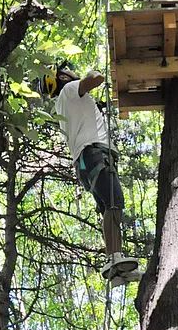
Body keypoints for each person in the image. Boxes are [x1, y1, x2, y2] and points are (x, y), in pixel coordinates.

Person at [39, 62, 140, 284]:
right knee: (114, 202)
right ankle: (113, 258)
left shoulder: (64, 105)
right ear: (63, 78)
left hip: (86, 161)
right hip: (94, 154)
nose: (72, 71)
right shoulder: (70, 89)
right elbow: (95, 79)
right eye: (67, 71)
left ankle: (117, 270)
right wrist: (93, 76)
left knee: (109, 206)